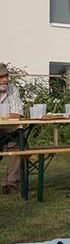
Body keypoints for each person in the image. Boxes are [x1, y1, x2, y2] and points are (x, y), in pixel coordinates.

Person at [0, 63, 23, 194]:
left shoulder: (13, 89)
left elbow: (17, 114)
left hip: (10, 131)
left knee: (18, 145)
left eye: (6, 76)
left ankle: (11, 183)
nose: (5, 80)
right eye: (2, 77)